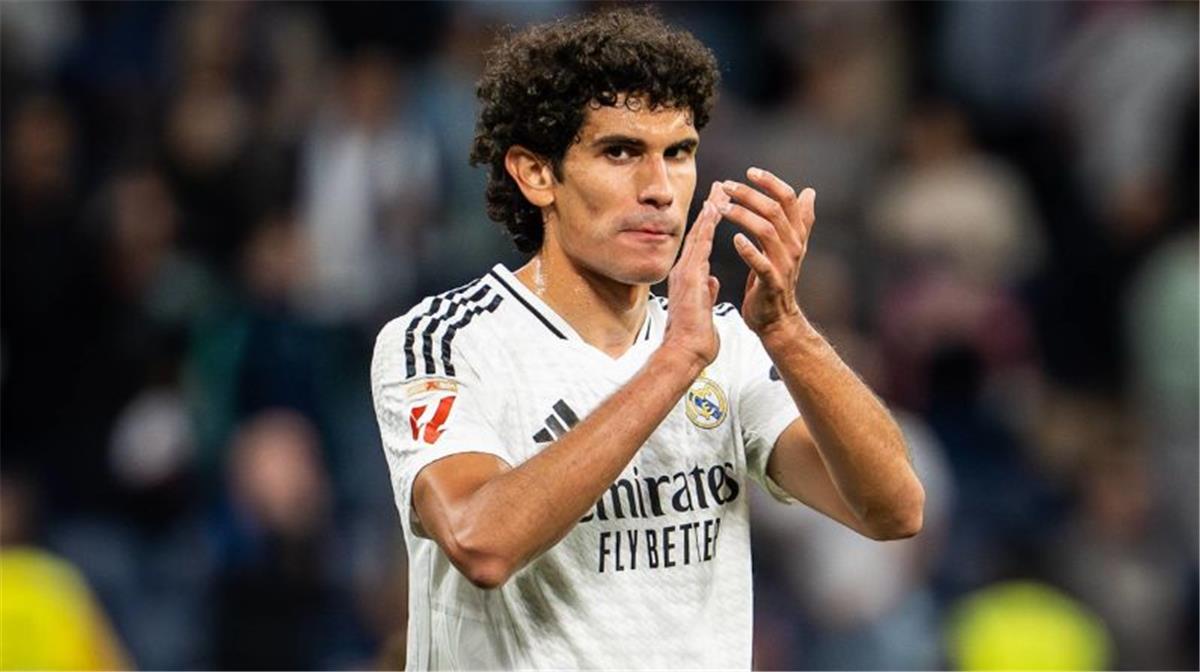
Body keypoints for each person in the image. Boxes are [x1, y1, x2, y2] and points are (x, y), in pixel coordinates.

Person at [371, 9, 924, 669]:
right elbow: (481, 542)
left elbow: (893, 510)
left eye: (678, 153)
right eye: (620, 152)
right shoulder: (444, 340)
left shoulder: (728, 344)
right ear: (537, 174)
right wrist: (672, 365)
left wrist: (787, 329)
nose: (660, 190)